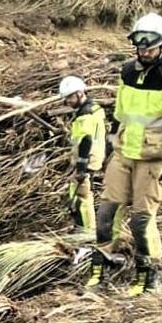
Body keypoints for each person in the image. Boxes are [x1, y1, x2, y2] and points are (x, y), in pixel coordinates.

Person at [87, 12, 162, 297]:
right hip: (125, 154)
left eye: (150, 47)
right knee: (105, 213)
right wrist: (110, 151)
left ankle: (148, 277)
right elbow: (119, 116)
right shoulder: (127, 72)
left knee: (141, 220)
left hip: (153, 159)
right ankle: (101, 267)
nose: (145, 51)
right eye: (140, 47)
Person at [59, 76, 106, 237]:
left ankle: (86, 233)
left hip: (86, 161)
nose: (67, 102)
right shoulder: (95, 108)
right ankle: (82, 228)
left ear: (80, 94)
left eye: (70, 97)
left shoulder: (85, 115)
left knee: (82, 199)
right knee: (76, 195)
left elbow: (86, 140)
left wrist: (80, 167)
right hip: (92, 159)